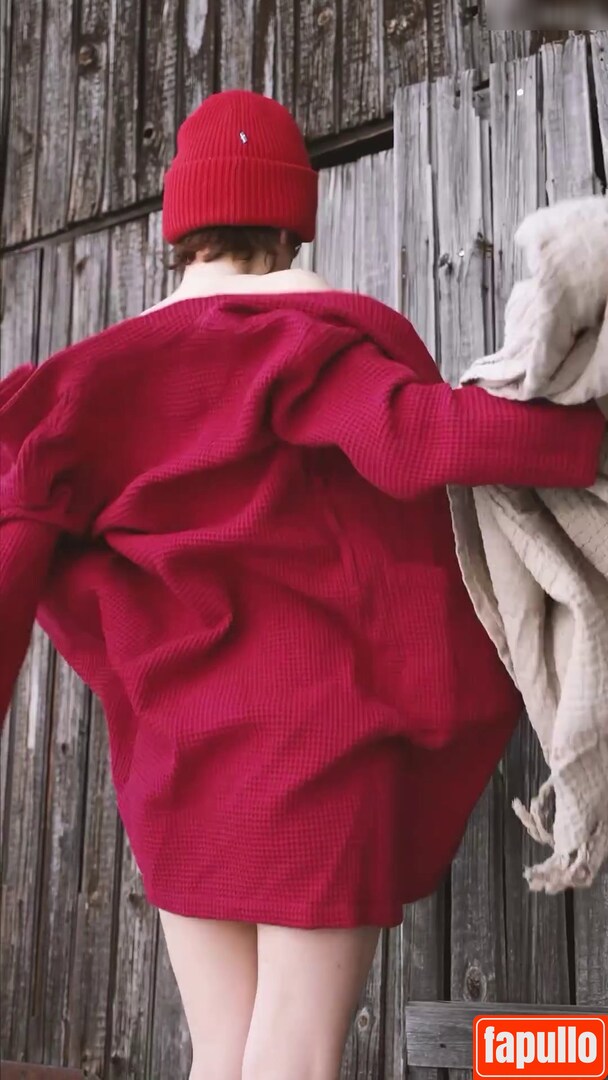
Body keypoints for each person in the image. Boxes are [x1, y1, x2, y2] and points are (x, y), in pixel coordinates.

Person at [0, 90, 605, 1080]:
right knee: (296, 1055)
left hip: (175, 761)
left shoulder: (84, 384)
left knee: (220, 1051)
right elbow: (418, 438)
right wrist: (585, 439)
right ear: (291, 224)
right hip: (321, 752)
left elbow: (16, 542)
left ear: (179, 229)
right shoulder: (298, 343)